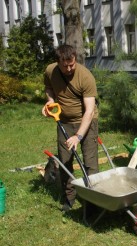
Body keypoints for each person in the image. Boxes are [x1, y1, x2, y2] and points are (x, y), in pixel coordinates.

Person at [42, 44, 99, 212]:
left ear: (75, 59)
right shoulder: (50, 71)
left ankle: (94, 200)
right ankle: (69, 198)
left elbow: (89, 111)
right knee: (65, 161)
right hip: (63, 121)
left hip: (86, 122)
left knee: (90, 164)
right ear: (57, 62)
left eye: (72, 64)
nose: (68, 68)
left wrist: (78, 136)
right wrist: (50, 101)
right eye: (65, 65)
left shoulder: (85, 77)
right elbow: (49, 88)